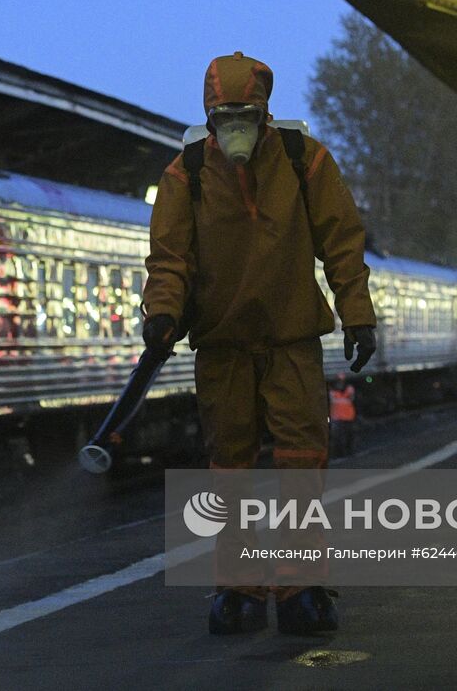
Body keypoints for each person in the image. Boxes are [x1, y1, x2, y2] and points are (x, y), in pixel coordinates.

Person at [143, 51, 376, 636]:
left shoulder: (303, 161)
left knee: (301, 465)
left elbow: (341, 241)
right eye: (224, 117)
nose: (234, 128)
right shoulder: (186, 174)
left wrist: (358, 315)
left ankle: (299, 585)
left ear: (266, 112)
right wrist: (162, 314)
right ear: (209, 115)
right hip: (224, 345)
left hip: (290, 338)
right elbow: (170, 260)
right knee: (231, 470)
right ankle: (241, 587)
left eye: (244, 115)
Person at [329, 382, 357, 459]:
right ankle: (341, 452)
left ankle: (346, 451)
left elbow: (351, 397)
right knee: (339, 436)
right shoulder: (334, 393)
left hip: (345, 418)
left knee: (346, 435)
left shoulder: (348, 390)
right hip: (339, 418)